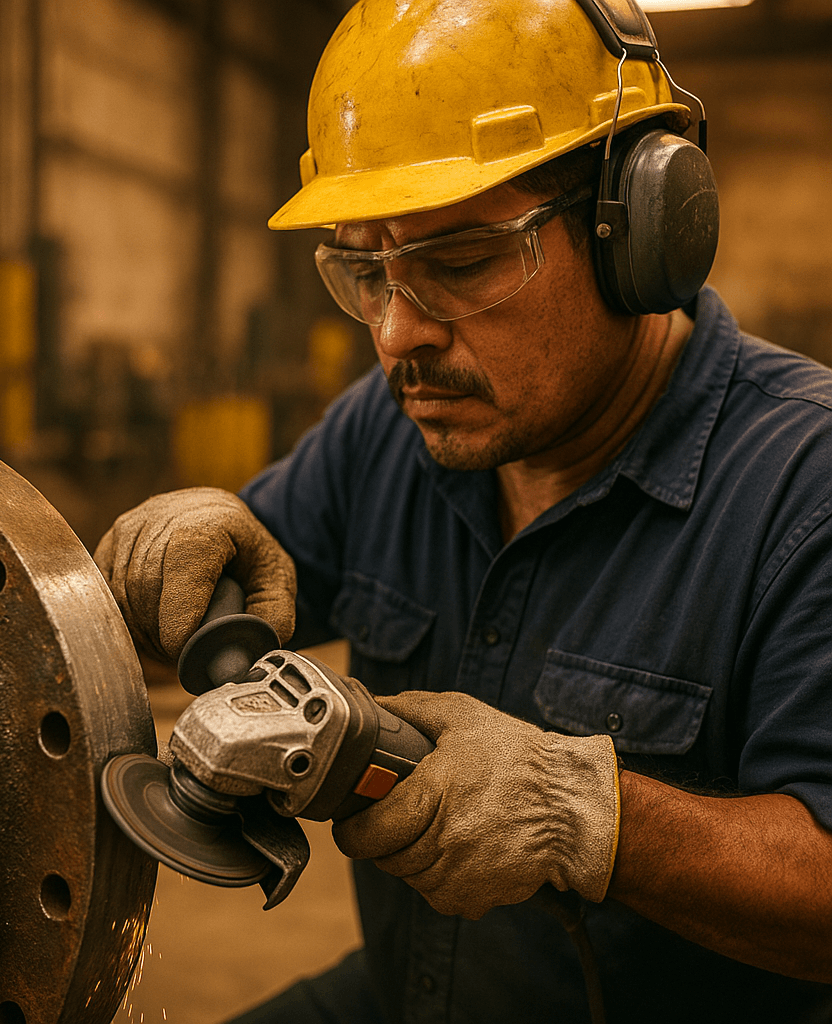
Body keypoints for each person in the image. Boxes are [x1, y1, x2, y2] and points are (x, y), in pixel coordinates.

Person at [94, 1, 832, 1020]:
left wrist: (586, 816)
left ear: (639, 231)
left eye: (459, 264)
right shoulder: (391, 428)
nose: (398, 335)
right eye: (366, 267)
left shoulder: (804, 485)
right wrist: (179, 555)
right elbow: (235, 601)